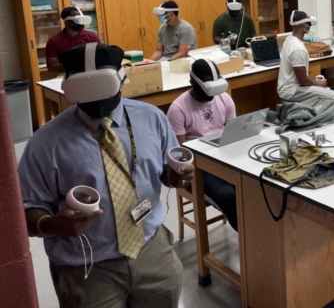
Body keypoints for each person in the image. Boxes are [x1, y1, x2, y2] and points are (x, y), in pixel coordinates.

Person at [18, 43, 193, 307]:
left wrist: (176, 177)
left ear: (122, 79)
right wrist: (53, 225)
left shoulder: (151, 118)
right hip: (87, 268)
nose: (96, 98)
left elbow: (166, 173)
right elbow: (26, 211)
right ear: (69, 89)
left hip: (152, 252)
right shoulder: (45, 144)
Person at [166, 59, 238, 231]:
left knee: (251, 186)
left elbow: (235, 134)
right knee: (228, 196)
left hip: (224, 158)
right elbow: (182, 155)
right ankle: (249, 239)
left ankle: (258, 237)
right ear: (193, 82)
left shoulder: (224, 99)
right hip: (197, 168)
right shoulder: (178, 109)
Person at [277, 10, 334, 102]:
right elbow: (303, 80)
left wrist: (314, 82)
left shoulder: (289, 39)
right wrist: (317, 83)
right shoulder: (297, 48)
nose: (309, 26)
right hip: (292, 90)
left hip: (287, 87)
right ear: (303, 26)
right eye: (308, 23)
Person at [46, 7, 101, 72]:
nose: (80, 24)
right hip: (68, 75)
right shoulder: (54, 41)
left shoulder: (92, 36)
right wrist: (74, 65)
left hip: (91, 73)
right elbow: (51, 66)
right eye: (77, 21)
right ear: (67, 22)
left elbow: (101, 57)